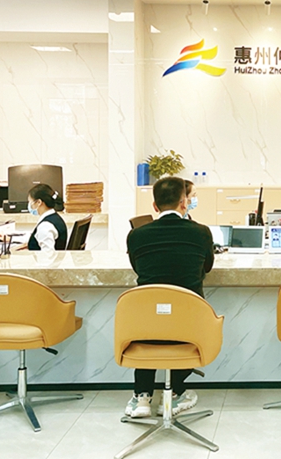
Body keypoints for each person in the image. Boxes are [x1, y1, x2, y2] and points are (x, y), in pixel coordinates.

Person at [124, 176, 215, 419]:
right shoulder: (201, 233)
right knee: (183, 323)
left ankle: (142, 397)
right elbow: (206, 267)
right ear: (184, 203)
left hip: (147, 322)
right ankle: (176, 393)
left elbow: (138, 268)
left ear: (155, 206)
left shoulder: (136, 235)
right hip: (190, 323)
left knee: (148, 323)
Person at [26, 184, 67, 252]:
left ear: (39, 202)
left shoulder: (45, 226)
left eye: (30, 202)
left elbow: (47, 254)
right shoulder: (55, 218)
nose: (29, 205)